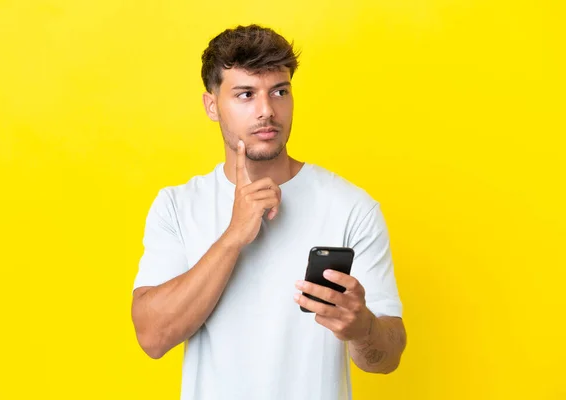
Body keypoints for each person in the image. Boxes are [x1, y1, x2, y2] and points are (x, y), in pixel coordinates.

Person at [131, 24, 407, 400]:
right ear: (212, 105)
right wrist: (233, 237)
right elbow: (152, 337)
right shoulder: (177, 206)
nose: (267, 111)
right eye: (245, 94)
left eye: (279, 92)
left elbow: (387, 355)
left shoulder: (351, 207)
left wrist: (361, 328)